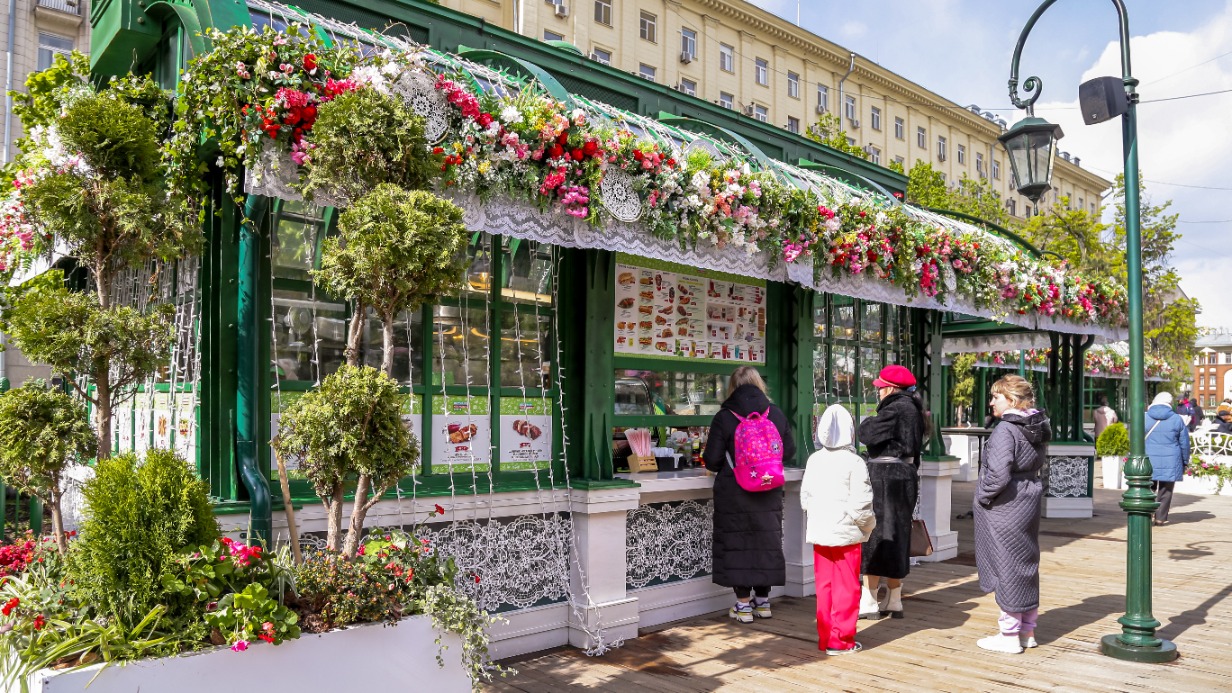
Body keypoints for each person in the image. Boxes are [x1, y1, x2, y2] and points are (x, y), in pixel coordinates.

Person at [704, 366, 796, 623]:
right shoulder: (775, 414)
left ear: (732, 387)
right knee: (766, 542)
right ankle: (763, 601)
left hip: (734, 491)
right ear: (759, 385)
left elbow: (711, 460)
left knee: (738, 544)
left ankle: (743, 605)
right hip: (768, 488)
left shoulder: (724, 417)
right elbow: (788, 451)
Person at [973, 375, 1050, 655]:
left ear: (1012, 400)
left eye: (996, 396)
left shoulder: (1006, 428)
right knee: (1026, 562)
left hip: (1006, 504)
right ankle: (1027, 631)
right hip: (1027, 498)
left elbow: (997, 473)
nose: (991, 401)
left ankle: (1008, 635)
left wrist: (983, 497)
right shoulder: (1036, 425)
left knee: (1006, 564)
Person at [801, 405, 876, 655]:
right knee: (847, 587)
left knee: (824, 587)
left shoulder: (814, 459)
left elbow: (805, 499)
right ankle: (840, 640)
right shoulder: (855, 462)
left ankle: (826, 637)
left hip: (820, 532)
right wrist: (868, 528)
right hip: (847, 534)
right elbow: (861, 505)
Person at [856, 364, 926, 620]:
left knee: (877, 537)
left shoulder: (895, 408)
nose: (878, 392)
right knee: (898, 536)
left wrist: (868, 421)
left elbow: (866, 434)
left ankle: (870, 599)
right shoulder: (915, 409)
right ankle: (894, 598)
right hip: (906, 476)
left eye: (880, 387)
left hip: (885, 479)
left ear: (891, 388)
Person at [1145, 392, 1190, 527]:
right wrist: (1185, 460)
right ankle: (1160, 518)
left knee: (1148, 487)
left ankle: (1148, 514)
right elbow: (1184, 443)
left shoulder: (1144, 418)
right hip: (1171, 460)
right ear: (1170, 403)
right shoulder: (1176, 419)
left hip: (1148, 459)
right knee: (1166, 490)